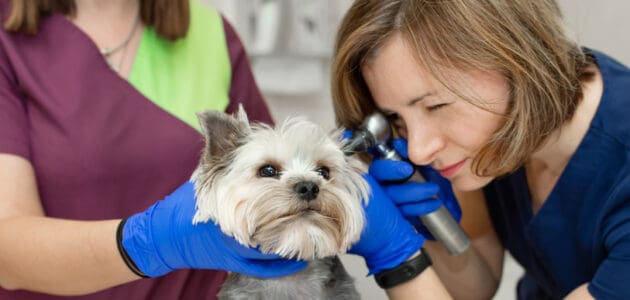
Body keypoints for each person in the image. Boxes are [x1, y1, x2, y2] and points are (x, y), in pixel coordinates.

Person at [0, 0, 430, 299]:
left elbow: (273, 176)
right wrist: (147, 243)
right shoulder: (9, 43)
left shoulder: (211, 35)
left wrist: (397, 251)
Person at [332, 0, 630, 299]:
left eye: (436, 106)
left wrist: (396, 258)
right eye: (396, 118)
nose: (419, 151)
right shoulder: (501, 136)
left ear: (516, 57)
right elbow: (475, 287)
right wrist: (429, 230)